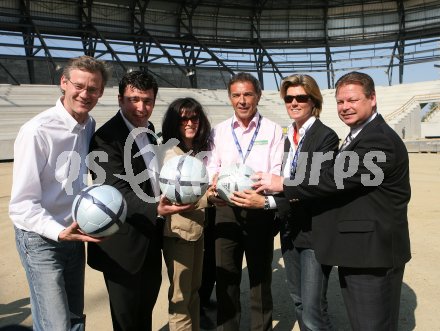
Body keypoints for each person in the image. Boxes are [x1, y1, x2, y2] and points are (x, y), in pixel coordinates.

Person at [255, 71, 411, 331]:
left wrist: (282, 183)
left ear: (372, 99)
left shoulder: (378, 139)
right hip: (361, 251)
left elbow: (332, 179)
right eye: (340, 102)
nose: (345, 107)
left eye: (352, 100)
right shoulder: (360, 135)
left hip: (372, 254)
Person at [9, 55, 110, 331]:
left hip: (74, 233)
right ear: (63, 83)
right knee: (55, 324)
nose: (84, 94)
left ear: (100, 92)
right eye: (78, 85)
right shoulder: (36, 132)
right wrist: (58, 233)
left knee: (75, 317)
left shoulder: (88, 125)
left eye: (92, 89)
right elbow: (21, 206)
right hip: (40, 237)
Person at [232, 74, 338, 330]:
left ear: (314, 101)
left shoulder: (326, 137)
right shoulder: (288, 136)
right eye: (289, 98)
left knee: (313, 310)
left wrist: (268, 201)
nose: (294, 102)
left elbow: (315, 186)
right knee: (299, 301)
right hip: (291, 231)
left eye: (301, 97)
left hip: (314, 233)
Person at [87, 71, 191, 331]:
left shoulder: (149, 129)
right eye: (134, 100)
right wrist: (155, 208)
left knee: (144, 311)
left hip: (149, 238)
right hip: (122, 244)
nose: (141, 108)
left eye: (147, 101)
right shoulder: (105, 138)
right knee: (126, 320)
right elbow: (112, 188)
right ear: (120, 99)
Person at [207, 72, 284, 330]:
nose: (242, 100)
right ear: (230, 98)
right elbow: (211, 166)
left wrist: (258, 192)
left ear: (258, 96)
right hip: (225, 210)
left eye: (248, 94)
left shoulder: (273, 130)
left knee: (259, 280)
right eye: (236, 95)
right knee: (225, 277)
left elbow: (276, 170)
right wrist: (214, 180)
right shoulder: (219, 131)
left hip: (258, 208)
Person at [160, 97, 216, 330]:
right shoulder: (167, 153)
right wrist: (212, 197)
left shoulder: (199, 150)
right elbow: (178, 197)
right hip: (178, 234)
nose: (190, 123)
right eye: (183, 119)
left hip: (197, 232)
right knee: (181, 298)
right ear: (174, 122)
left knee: (194, 292)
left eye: (194, 117)